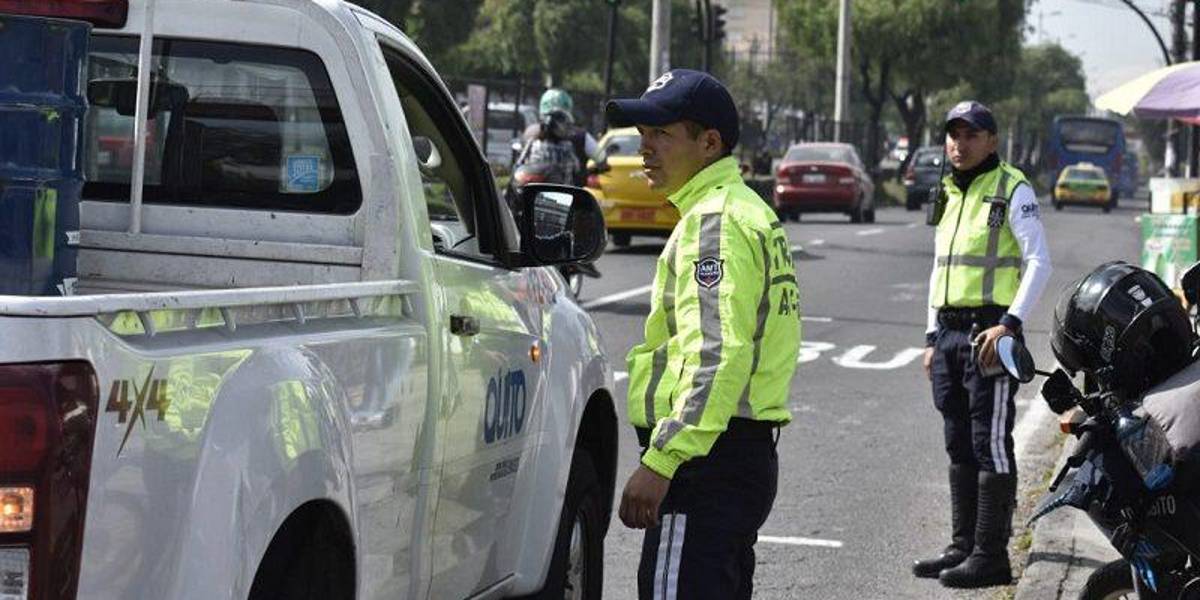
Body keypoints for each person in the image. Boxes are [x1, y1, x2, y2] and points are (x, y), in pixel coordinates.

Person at [608, 69, 801, 600]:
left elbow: (716, 354)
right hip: (736, 454)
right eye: (642, 134)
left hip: (704, 464)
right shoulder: (746, 210)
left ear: (709, 142)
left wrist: (662, 460)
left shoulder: (714, 222)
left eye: (662, 134)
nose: (644, 148)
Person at [913, 101, 1053, 588]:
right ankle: (962, 546)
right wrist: (932, 336)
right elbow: (941, 268)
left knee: (988, 442)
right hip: (949, 333)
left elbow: (1039, 261)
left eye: (971, 135)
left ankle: (991, 555)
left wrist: (1010, 325)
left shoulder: (1012, 188)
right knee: (957, 442)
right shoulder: (948, 191)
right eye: (953, 135)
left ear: (992, 141)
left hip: (989, 333)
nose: (959, 143)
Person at [515, 88, 599, 187]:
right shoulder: (575, 141)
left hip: (533, 194)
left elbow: (519, 163)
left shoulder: (531, 135)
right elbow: (580, 167)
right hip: (564, 196)